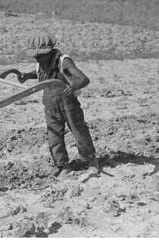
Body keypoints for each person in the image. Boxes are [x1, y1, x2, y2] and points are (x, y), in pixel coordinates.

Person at [18, 30, 99, 181]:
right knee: (53, 137)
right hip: (50, 105)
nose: (38, 58)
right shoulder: (40, 63)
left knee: (79, 132)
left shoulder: (63, 61)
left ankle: (91, 160)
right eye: (36, 56)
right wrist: (27, 76)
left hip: (68, 104)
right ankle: (63, 166)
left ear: (50, 51)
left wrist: (74, 85)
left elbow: (84, 79)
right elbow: (39, 72)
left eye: (41, 55)